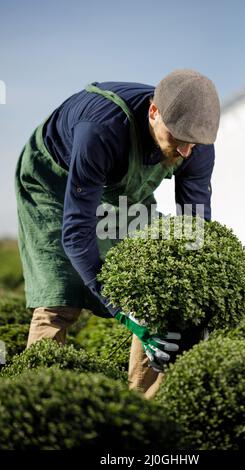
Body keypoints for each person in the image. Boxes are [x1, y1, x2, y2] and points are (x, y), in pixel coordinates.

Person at [14, 69, 220, 399]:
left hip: (122, 187)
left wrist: (194, 301)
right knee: (60, 294)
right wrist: (123, 311)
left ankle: (140, 401)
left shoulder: (197, 144)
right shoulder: (101, 129)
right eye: (178, 138)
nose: (185, 152)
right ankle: (37, 398)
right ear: (154, 112)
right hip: (54, 179)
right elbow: (76, 235)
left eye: (193, 143)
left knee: (156, 278)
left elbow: (192, 226)